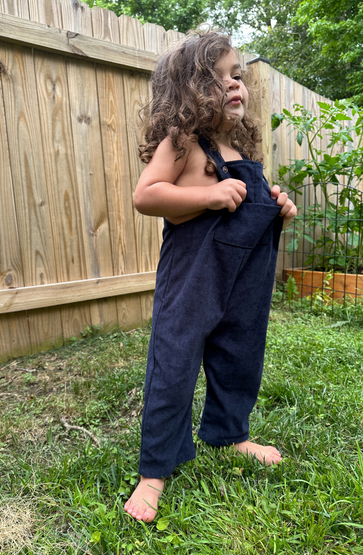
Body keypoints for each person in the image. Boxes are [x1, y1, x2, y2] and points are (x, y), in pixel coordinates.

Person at [124, 29, 297, 523]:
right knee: (174, 362)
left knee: (240, 356)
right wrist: (207, 196)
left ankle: (229, 433)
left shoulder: (246, 156)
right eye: (219, 77)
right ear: (190, 89)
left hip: (245, 282)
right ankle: (155, 470)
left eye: (237, 76)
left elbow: (254, 209)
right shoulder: (184, 145)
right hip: (193, 278)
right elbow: (146, 195)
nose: (235, 85)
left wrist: (278, 205)